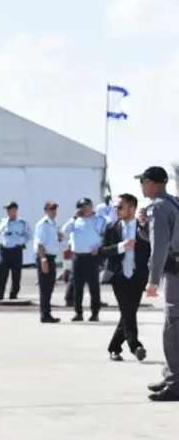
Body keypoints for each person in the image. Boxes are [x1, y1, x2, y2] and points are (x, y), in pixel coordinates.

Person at [135, 166, 179, 402]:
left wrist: (153, 280)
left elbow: (160, 246)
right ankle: (172, 375)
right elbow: (157, 236)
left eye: (142, 182)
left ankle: (174, 385)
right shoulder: (173, 203)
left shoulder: (158, 207)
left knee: (173, 328)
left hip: (175, 272)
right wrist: (144, 226)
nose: (141, 186)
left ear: (152, 183)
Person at [99, 193, 149, 362]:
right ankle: (135, 346)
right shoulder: (111, 227)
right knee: (128, 312)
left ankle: (114, 347)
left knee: (128, 313)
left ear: (132, 208)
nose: (116, 210)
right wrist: (121, 246)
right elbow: (102, 251)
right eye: (115, 206)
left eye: (120, 207)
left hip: (138, 277)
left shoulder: (145, 228)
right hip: (119, 276)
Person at [61, 198, 107, 322]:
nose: (85, 209)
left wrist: (101, 248)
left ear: (91, 206)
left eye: (87, 206)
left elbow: (106, 236)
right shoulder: (76, 221)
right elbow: (64, 231)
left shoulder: (100, 220)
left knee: (94, 287)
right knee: (78, 286)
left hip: (92, 257)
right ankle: (78, 312)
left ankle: (95, 313)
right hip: (78, 257)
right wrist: (74, 218)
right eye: (82, 207)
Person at [0, 201, 32, 300]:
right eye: (7, 209)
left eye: (9, 209)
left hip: (16, 251)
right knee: (2, 275)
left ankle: (13, 295)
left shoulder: (22, 223)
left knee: (16, 276)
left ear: (15, 210)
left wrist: (23, 243)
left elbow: (29, 235)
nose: (7, 211)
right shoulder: (3, 222)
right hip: (5, 251)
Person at [33, 201, 63, 324]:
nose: (53, 211)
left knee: (50, 286)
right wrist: (43, 260)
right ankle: (44, 314)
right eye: (51, 209)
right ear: (45, 211)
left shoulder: (53, 223)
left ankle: (47, 312)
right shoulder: (43, 224)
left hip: (51, 257)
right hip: (44, 257)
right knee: (45, 287)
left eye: (55, 208)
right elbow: (39, 243)